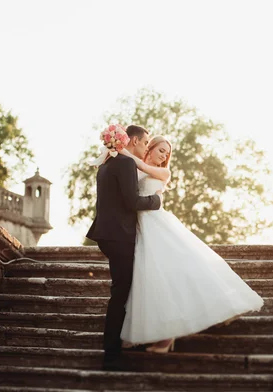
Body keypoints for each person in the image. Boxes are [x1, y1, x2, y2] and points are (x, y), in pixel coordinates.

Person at [119, 135, 264, 353]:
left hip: (156, 224)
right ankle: (163, 334)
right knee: (149, 279)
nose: (164, 156)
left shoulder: (163, 172)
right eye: (161, 150)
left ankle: (166, 339)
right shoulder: (135, 170)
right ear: (149, 148)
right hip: (139, 227)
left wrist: (117, 147)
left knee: (167, 273)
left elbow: (138, 164)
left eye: (167, 153)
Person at [86, 124, 162, 370]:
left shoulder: (106, 164)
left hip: (107, 234)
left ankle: (127, 340)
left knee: (124, 289)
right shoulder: (126, 164)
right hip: (120, 235)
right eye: (145, 141)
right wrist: (157, 201)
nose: (146, 146)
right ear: (134, 140)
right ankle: (111, 352)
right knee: (120, 293)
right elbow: (132, 201)